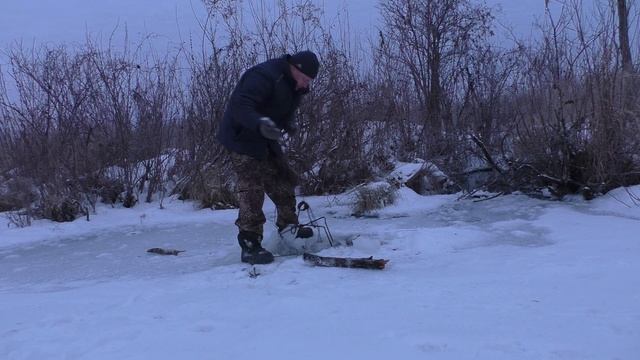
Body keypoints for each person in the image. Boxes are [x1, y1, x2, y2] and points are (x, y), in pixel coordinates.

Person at [217, 50, 320, 264]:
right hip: (241, 137)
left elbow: (285, 107)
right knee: (252, 188)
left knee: (283, 180)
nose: (305, 85)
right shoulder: (263, 75)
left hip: (264, 138)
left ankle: (289, 228)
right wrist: (260, 123)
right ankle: (250, 243)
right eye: (304, 79)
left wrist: (287, 123)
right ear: (295, 68)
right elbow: (240, 105)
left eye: (309, 82)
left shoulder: (295, 85)